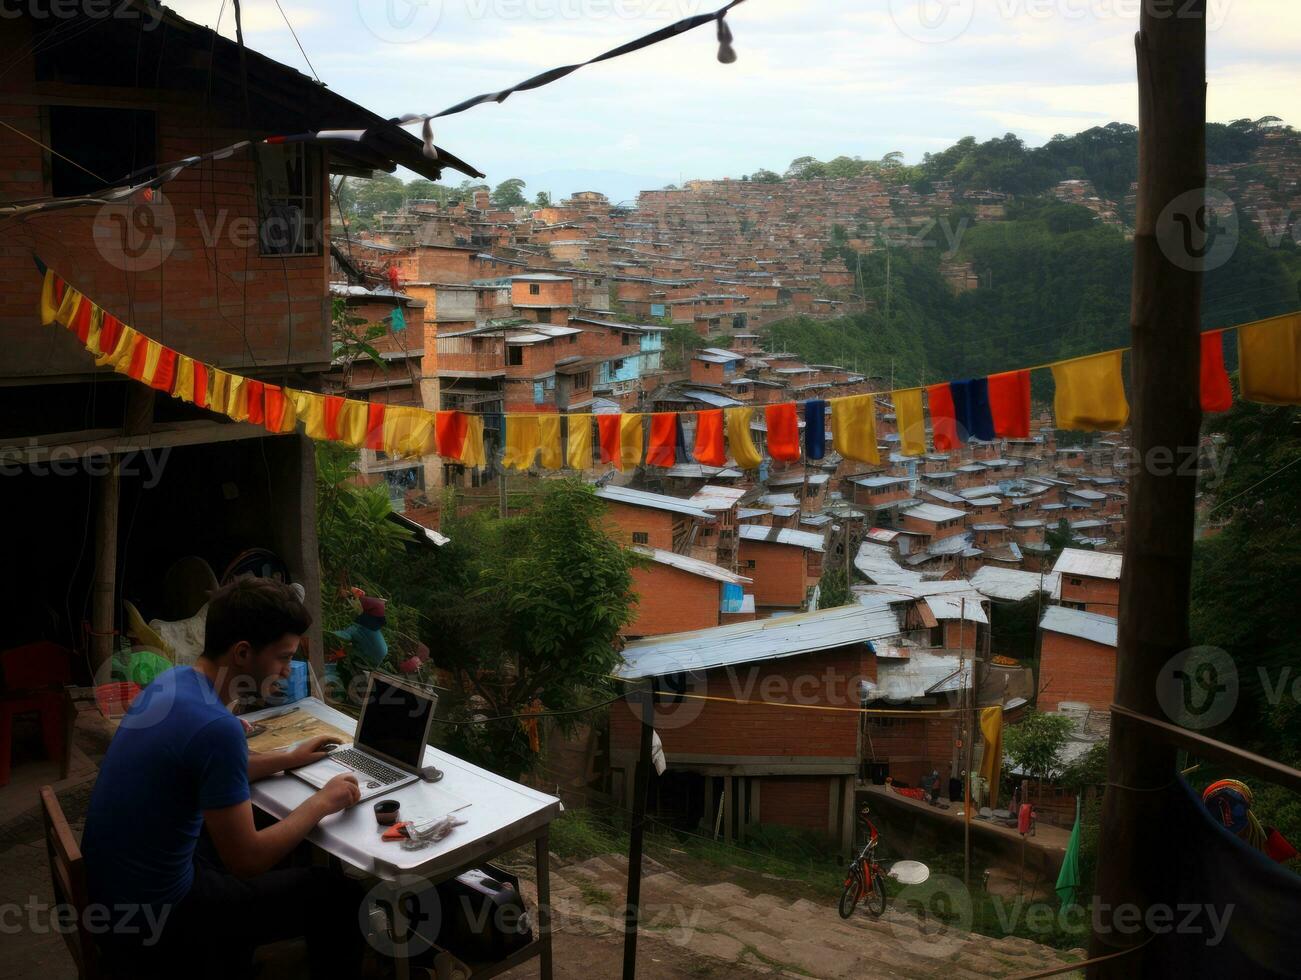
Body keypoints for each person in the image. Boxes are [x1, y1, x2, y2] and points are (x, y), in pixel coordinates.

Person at [82, 578, 365, 979]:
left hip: (117, 898)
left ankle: (238, 953)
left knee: (271, 831)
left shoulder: (172, 681)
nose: (288, 670)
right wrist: (323, 802)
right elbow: (247, 861)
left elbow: (207, 767)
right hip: (157, 926)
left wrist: (288, 758)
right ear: (243, 653)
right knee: (337, 895)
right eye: (283, 658)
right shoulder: (218, 728)